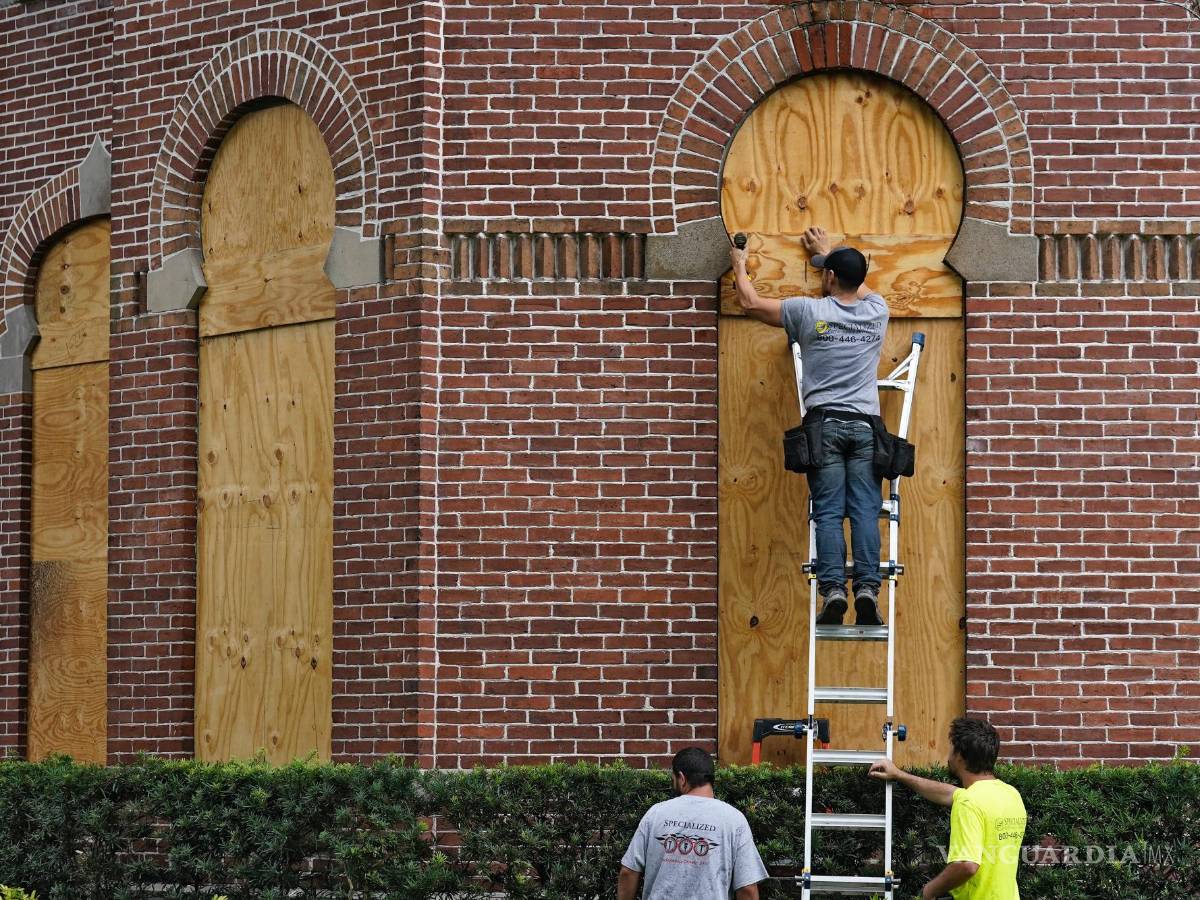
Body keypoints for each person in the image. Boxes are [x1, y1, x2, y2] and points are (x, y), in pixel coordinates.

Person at [730, 227, 890, 626]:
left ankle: (834, 590)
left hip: (825, 428)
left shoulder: (808, 312)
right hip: (866, 428)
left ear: (830, 278)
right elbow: (860, 285)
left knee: (830, 513)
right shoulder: (877, 311)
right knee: (866, 511)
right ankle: (867, 589)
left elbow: (749, 302)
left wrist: (738, 259)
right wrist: (829, 255)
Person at [869, 717, 1028, 900]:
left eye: (952, 748)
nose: (949, 755)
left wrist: (929, 890)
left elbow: (966, 865)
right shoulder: (1010, 794)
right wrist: (898, 774)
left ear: (960, 756)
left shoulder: (969, 802)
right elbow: (947, 793)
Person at [618, 747, 768, 900]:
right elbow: (747, 889)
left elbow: (628, 872)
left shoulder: (656, 814)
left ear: (682, 778)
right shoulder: (734, 820)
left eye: (673, 779)